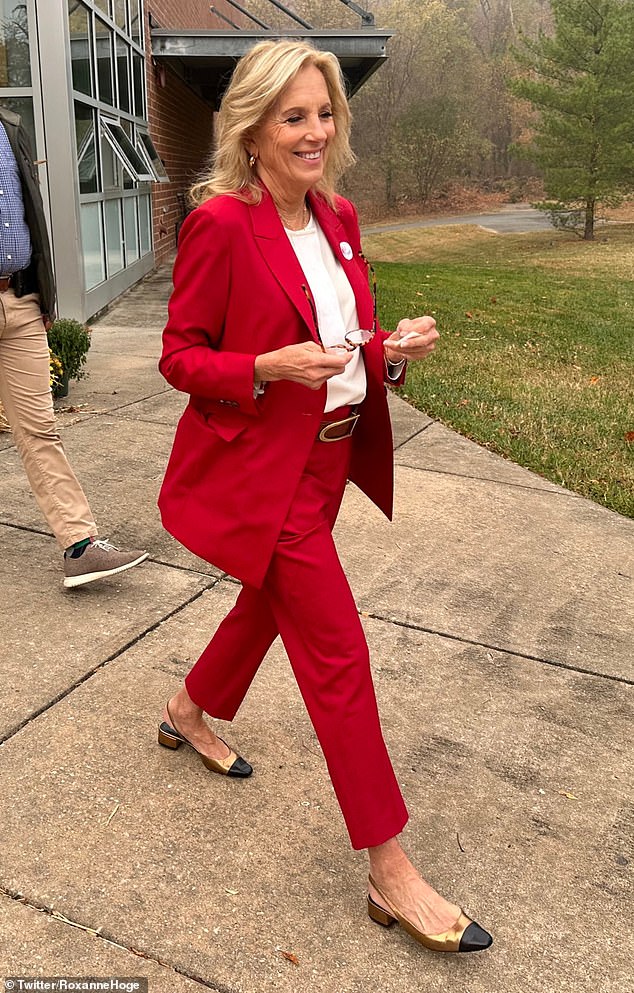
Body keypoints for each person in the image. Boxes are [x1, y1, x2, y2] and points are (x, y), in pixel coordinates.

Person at [157, 40, 492, 954]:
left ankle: (189, 710)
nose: (314, 132)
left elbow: (345, 338)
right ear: (254, 130)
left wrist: (390, 348)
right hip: (267, 471)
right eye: (293, 116)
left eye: (324, 113)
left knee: (269, 607)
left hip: (329, 463)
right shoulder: (223, 224)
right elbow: (180, 355)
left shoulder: (339, 217)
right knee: (338, 653)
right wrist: (261, 368)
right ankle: (391, 869)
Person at [0, 105, 148, 588]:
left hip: (19, 301)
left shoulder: (9, 127)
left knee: (40, 430)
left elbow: (31, 218)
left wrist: (43, 295)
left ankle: (79, 546)